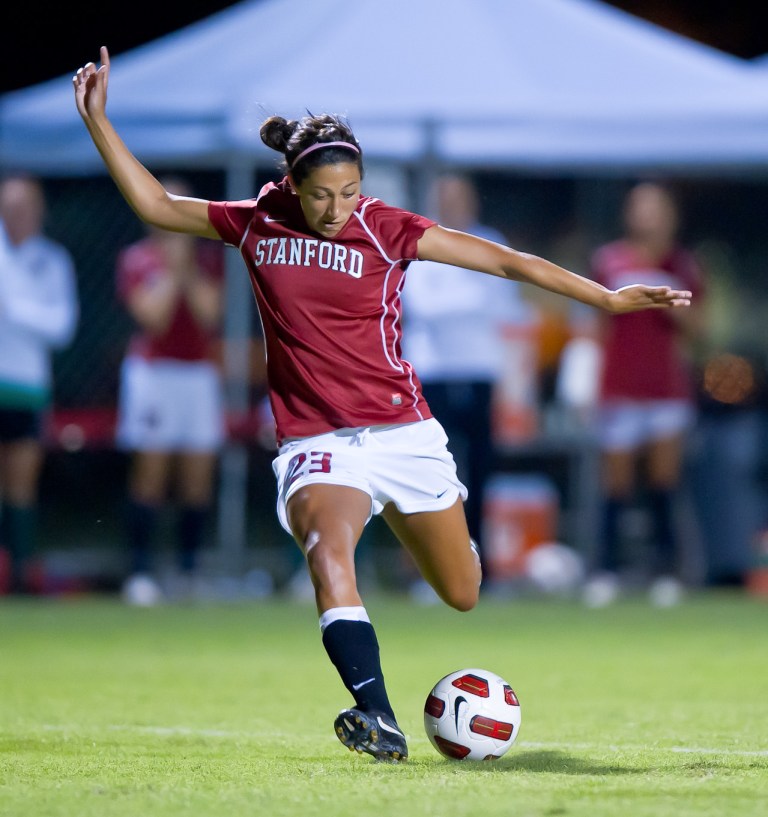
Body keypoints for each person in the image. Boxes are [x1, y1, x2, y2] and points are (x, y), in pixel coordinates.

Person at [73, 47, 691, 761]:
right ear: (290, 184)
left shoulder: (386, 226)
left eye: (350, 191)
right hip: (319, 442)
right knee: (326, 550)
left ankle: (394, 516)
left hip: (404, 433)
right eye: (322, 195)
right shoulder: (257, 219)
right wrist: (98, 123)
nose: (338, 209)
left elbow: (508, 262)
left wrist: (607, 297)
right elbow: (153, 204)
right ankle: (379, 716)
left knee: (463, 591)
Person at [401, 174, 533, 581]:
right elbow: (418, 303)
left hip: (478, 372)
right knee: (431, 474)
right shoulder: (419, 239)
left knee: (478, 474)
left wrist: (458, 303)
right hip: (432, 375)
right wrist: (471, 300)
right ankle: (431, 567)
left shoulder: (487, 239)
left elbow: (505, 303)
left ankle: (479, 567)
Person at [582, 182, 705, 609]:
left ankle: (666, 571)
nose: (648, 216)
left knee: (663, 483)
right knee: (615, 484)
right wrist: (586, 383)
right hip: (619, 387)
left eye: (656, 208)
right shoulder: (609, 261)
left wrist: (669, 299)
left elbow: (698, 330)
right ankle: (605, 571)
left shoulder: (682, 265)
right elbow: (594, 323)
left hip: (665, 389)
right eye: (640, 208)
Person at [115, 176, 226, 605]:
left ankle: (188, 570)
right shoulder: (137, 260)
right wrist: (172, 269)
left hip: (198, 374)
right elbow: (154, 318)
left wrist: (187, 268)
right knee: (151, 471)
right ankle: (140, 572)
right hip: (153, 374)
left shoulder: (207, 260)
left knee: (198, 476)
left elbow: (209, 314)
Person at [0, 174, 79, 594]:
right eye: (9, 208)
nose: (17, 216)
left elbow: (61, 327)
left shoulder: (52, 260)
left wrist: (15, 309)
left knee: (20, 485)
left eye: (24, 208)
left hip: (27, 387)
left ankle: (18, 576)